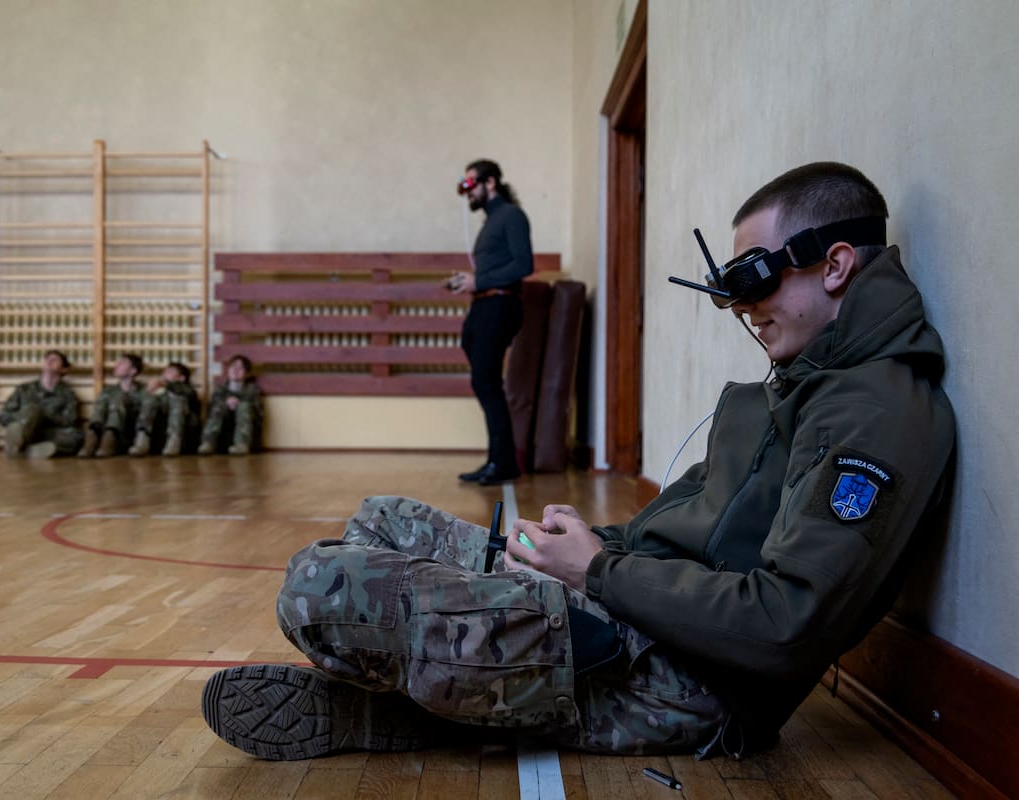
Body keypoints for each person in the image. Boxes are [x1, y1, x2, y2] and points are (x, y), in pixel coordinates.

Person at [200, 163, 956, 762]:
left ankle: (435, 700)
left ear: (835, 265)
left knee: (317, 587)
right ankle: (465, 678)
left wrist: (595, 573)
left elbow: (785, 624)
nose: (741, 307)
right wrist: (582, 544)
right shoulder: (791, 388)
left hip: (683, 676)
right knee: (381, 518)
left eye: (754, 279)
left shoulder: (875, 418)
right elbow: (681, 524)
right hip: (633, 605)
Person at [448, 159, 533, 486]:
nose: (467, 191)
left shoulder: (511, 215)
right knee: (483, 381)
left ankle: (503, 462)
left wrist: (479, 279)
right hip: (484, 305)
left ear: (491, 183)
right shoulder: (491, 221)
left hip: (500, 304)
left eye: (472, 183)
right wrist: (469, 281)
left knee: (486, 382)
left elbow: (524, 264)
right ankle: (498, 459)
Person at [0, 349, 83, 459]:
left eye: (55, 360)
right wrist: (25, 418)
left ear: (64, 369)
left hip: (47, 434)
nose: (50, 361)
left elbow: (70, 420)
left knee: (77, 437)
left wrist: (45, 416)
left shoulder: (67, 394)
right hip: (23, 429)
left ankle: (25, 450)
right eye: (47, 359)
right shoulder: (24, 389)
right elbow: (4, 415)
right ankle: (19, 442)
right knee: (32, 410)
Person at [78, 353, 146, 458]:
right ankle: (92, 439)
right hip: (106, 433)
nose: (117, 365)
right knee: (102, 404)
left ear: (133, 371)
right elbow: (99, 411)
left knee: (118, 400)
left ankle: (109, 440)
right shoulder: (108, 391)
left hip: (130, 435)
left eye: (122, 363)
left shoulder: (143, 391)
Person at [128, 361, 201, 457]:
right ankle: (142, 440)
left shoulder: (186, 389)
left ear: (181, 378)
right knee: (149, 401)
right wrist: (147, 391)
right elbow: (134, 402)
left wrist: (167, 385)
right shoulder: (158, 390)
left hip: (182, 428)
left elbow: (188, 393)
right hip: (158, 426)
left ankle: (174, 441)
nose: (165, 374)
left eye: (170, 372)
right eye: (165, 371)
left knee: (178, 401)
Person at [198, 355, 263, 456]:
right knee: (219, 406)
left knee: (244, 407)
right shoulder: (220, 389)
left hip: (247, 429)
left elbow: (259, 412)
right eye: (232, 367)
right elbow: (211, 409)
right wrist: (226, 402)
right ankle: (208, 443)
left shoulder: (252, 390)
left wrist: (239, 403)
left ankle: (241, 445)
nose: (235, 370)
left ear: (247, 373)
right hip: (224, 427)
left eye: (240, 368)